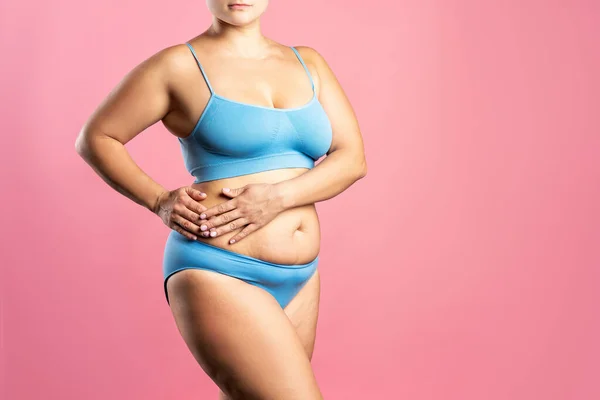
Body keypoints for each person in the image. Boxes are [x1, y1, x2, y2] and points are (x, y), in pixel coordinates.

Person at [75, 0, 367, 398]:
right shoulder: (178, 66)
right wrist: (159, 199)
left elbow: (352, 159)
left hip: (301, 276)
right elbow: (97, 137)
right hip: (218, 270)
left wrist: (277, 198)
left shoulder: (308, 63)